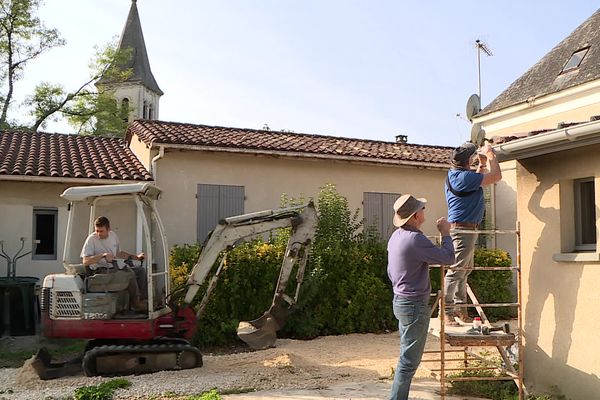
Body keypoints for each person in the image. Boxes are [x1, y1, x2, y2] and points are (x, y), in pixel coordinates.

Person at [387, 194, 455, 400]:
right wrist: (446, 233)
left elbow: (391, 271)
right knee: (408, 362)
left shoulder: (396, 236)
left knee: (405, 355)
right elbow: (449, 258)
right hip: (414, 304)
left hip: (400, 300)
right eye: (422, 209)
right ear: (416, 216)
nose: (424, 211)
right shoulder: (416, 239)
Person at [443, 141, 502, 326]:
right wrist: (491, 156)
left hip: (465, 229)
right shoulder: (463, 178)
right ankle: (447, 311)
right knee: (456, 270)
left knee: (464, 270)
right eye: (473, 158)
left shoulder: (457, 175)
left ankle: (460, 309)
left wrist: (482, 164)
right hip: (463, 230)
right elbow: (496, 176)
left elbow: (476, 180)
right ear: (468, 160)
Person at [81, 216, 147, 311]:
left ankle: (142, 300)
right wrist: (102, 256)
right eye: (97, 231)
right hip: (100, 271)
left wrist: (136, 257)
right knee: (129, 274)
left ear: (109, 229)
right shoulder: (91, 240)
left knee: (140, 271)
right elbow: (85, 261)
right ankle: (135, 304)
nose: (98, 234)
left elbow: (119, 253)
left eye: (101, 231)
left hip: (114, 267)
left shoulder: (113, 236)